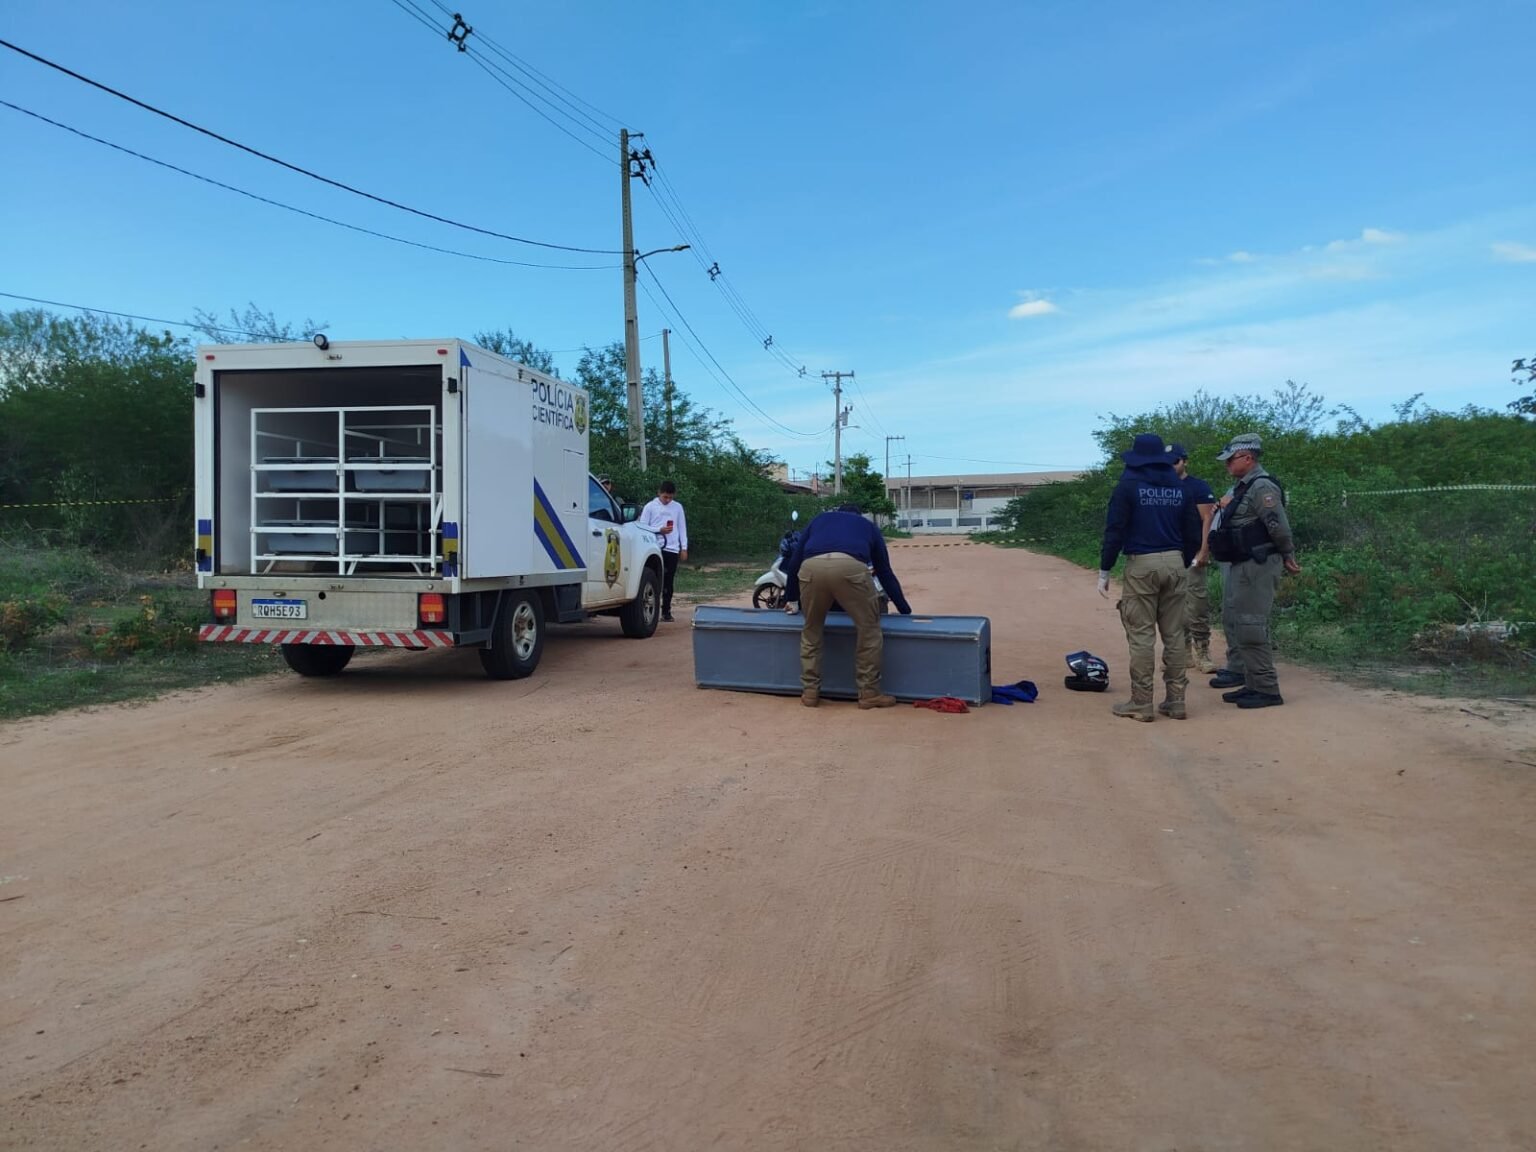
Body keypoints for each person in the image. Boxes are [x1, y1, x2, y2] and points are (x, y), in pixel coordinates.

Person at [1097, 433, 1201, 722]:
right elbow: (1193, 531)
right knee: (1174, 634)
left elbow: (1115, 530)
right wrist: (1183, 560)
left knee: (1142, 635)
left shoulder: (1128, 486)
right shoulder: (1180, 488)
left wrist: (1105, 569)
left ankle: (1142, 702)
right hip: (1175, 561)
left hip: (1142, 564)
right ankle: (1176, 701)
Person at [783, 502, 912, 709]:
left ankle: (810, 693)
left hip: (811, 567)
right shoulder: (867, 526)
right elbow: (884, 571)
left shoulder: (820, 520)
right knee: (869, 630)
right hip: (850, 567)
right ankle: (869, 693)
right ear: (859, 515)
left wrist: (791, 600)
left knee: (811, 630)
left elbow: (794, 562)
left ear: (838, 513)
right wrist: (905, 610)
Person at [1205, 433, 1300, 708]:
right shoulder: (1243, 487)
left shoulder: (1261, 486)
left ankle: (1267, 689)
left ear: (1247, 458)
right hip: (1243, 562)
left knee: (1251, 624)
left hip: (1258, 563)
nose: (1227, 465)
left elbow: (1278, 525)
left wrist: (1288, 554)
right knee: (1239, 622)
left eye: (1231, 460)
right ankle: (1252, 682)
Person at [1170, 444, 1218, 674]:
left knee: (1197, 604)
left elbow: (1208, 520)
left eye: (1175, 461)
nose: (1171, 466)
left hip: (1192, 554)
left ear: (1184, 461)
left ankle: (1203, 651)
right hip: (1169, 555)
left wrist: (1204, 551)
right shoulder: (1161, 486)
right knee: (1173, 607)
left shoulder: (1197, 487)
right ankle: (1183, 652)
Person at [637, 480, 688, 622]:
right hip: (654, 548)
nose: (667, 500)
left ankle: (666, 611)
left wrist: (684, 547)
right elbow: (642, 526)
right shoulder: (650, 506)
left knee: (669, 581)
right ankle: (649, 610)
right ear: (659, 493)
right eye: (665, 497)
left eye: (670, 497)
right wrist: (659, 530)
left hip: (672, 548)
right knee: (653, 579)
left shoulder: (677, 507)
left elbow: (682, 527)